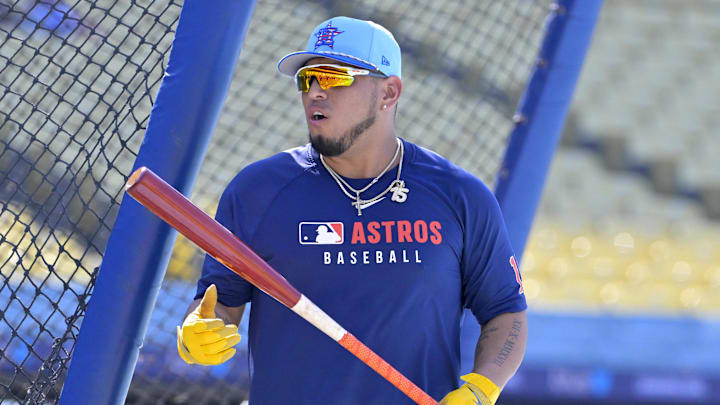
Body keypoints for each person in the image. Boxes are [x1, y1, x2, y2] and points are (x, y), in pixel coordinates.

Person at [176, 16, 527, 405]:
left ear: (389, 93)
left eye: (333, 77)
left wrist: (482, 389)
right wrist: (198, 330)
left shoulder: (460, 195)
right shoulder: (257, 191)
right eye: (306, 79)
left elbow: (506, 313)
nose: (314, 92)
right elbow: (220, 301)